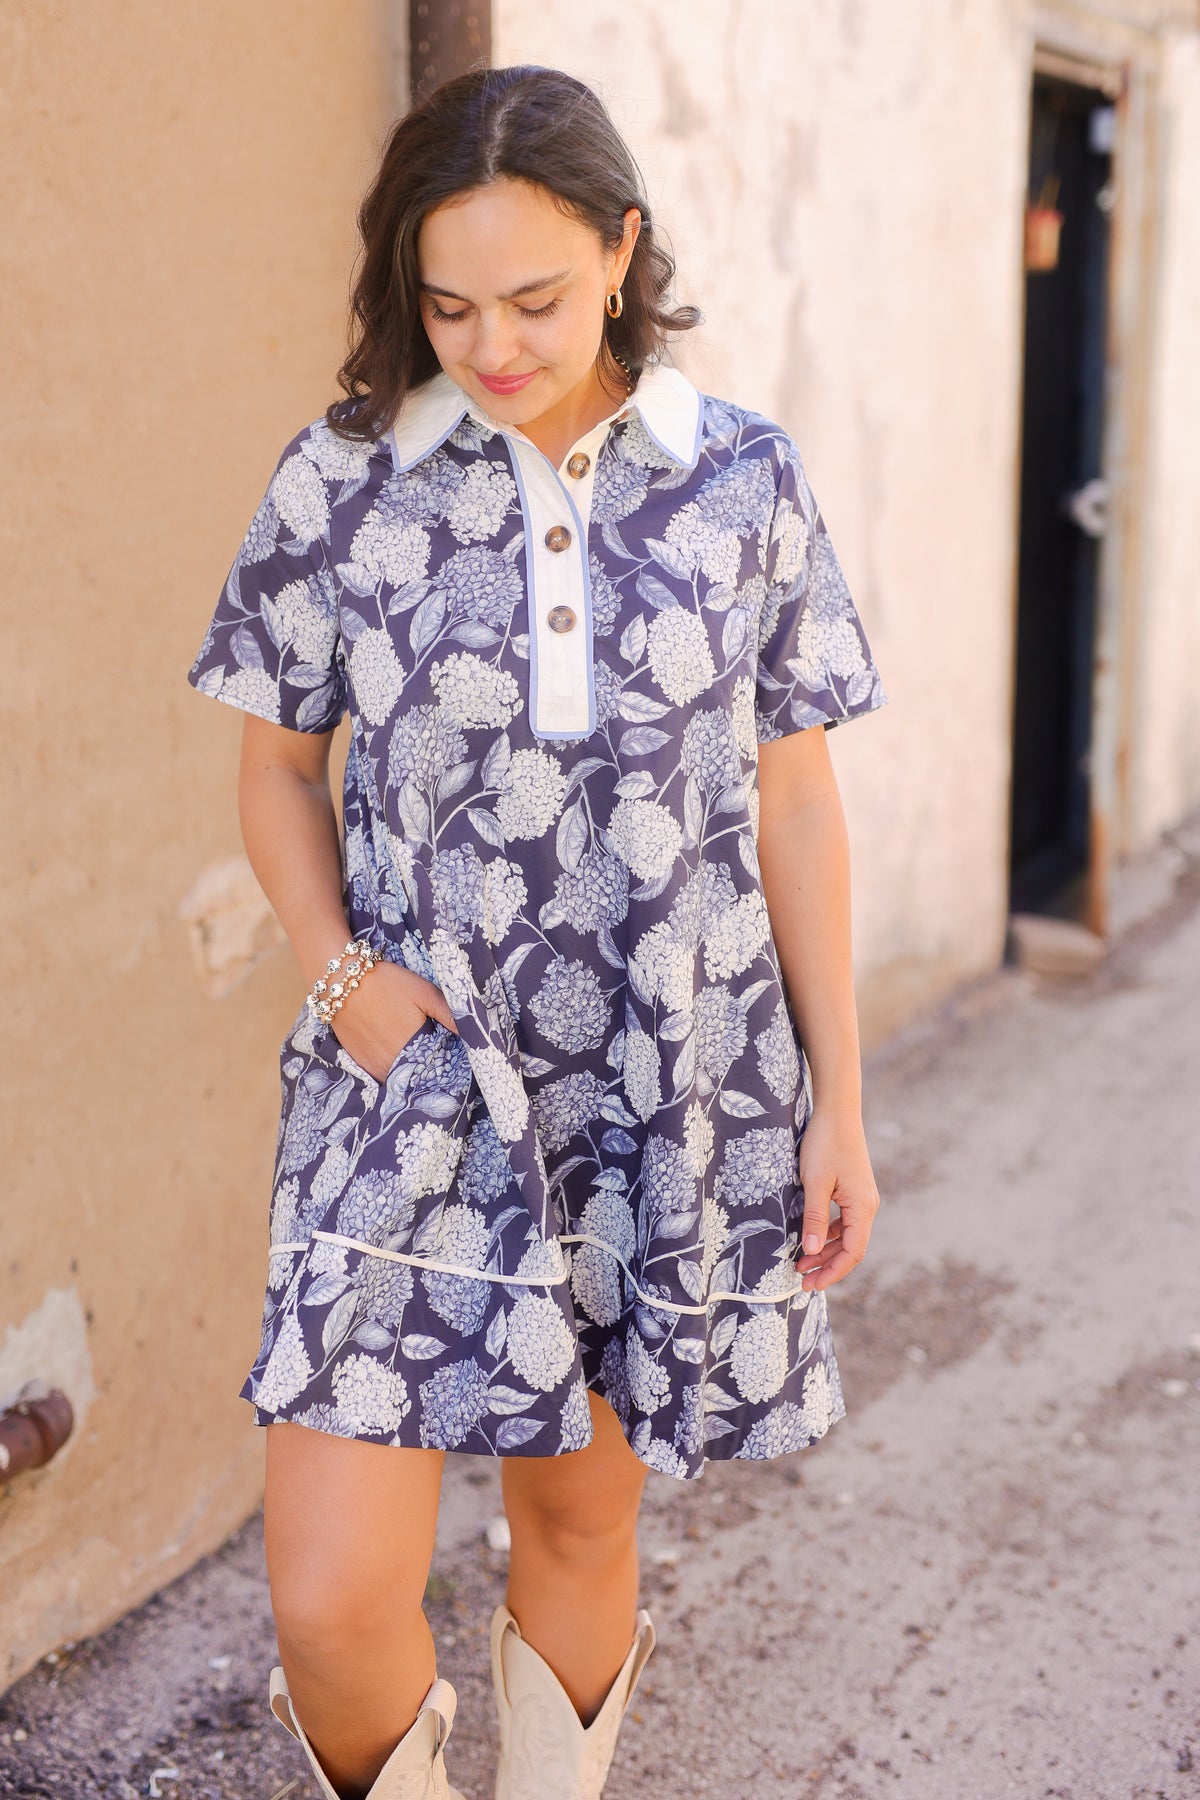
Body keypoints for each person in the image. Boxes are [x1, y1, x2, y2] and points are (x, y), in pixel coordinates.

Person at [186, 62, 886, 1800]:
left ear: (624, 249)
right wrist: (342, 981)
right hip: (409, 1084)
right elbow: (277, 773)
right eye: (447, 305)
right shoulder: (345, 482)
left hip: (665, 1079)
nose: (491, 347)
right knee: (334, 1600)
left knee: (576, 1533)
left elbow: (792, 801)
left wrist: (839, 1102)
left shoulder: (743, 482)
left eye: (537, 302)